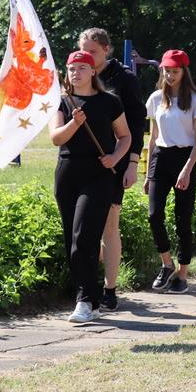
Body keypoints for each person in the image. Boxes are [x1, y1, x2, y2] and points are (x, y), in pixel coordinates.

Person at [50, 51, 131, 323]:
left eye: (82, 68)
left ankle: (84, 300)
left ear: (93, 71)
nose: (76, 73)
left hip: (98, 174)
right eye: (72, 69)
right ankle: (91, 300)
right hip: (68, 173)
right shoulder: (62, 102)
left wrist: (115, 158)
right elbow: (56, 137)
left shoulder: (109, 101)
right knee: (72, 240)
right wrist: (75, 122)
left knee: (85, 235)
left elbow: (125, 136)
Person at [78, 28, 147, 311]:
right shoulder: (78, 75)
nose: (86, 56)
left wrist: (132, 163)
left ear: (106, 50)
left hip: (115, 162)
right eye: (83, 51)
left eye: (92, 52)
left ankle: (110, 288)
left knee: (109, 223)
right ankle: (86, 286)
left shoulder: (124, 79)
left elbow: (137, 124)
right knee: (84, 227)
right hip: (82, 163)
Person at [144, 50, 196, 294]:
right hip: (161, 157)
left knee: (183, 219)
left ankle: (182, 273)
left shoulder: (195, 100)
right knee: (154, 214)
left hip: (185, 157)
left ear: (184, 72)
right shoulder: (155, 98)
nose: (170, 75)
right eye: (166, 71)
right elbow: (153, 137)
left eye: (175, 71)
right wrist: (148, 174)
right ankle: (167, 264)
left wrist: (187, 170)